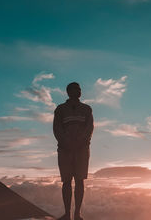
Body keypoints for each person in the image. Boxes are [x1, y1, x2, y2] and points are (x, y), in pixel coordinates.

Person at [53, 82, 94, 220]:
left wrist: (80, 142)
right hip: (65, 150)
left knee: (80, 180)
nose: (79, 91)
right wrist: (67, 143)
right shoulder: (60, 109)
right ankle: (67, 214)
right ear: (69, 92)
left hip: (82, 150)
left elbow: (89, 129)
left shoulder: (87, 109)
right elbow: (57, 129)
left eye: (80, 89)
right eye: (76, 89)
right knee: (66, 181)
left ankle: (77, 214)